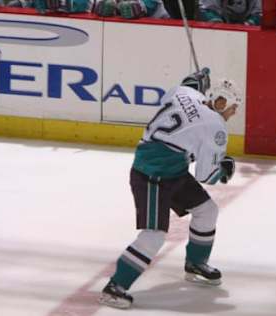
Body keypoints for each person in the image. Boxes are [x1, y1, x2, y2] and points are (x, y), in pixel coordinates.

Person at [98, 68, 243, 309]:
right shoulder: (216, 126)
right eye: (234, 106)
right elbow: (207, 175)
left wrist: (195, 81)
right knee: (154, 235)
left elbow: (187, 85)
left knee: (207, 210)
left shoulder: (184, 94)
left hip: (170, 168)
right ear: (221, 102)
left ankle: (195, 264)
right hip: (152, 175)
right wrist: (225, 168)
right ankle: (115, 287)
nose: (234, 111)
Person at [94, 0, 169, 19]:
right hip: (115, 33)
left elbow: (152, 4)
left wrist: (141, 7)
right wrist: (100, 5)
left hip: (154, 30)